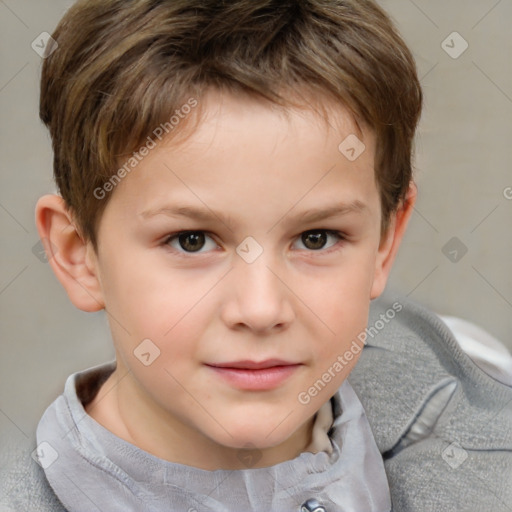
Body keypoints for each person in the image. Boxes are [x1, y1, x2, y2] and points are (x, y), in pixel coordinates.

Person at [1, 0, 511, 510]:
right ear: (77, 254)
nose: (262, 309)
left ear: (383, 242)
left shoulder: (484, 424)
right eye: (192, 240)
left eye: (316, 238)